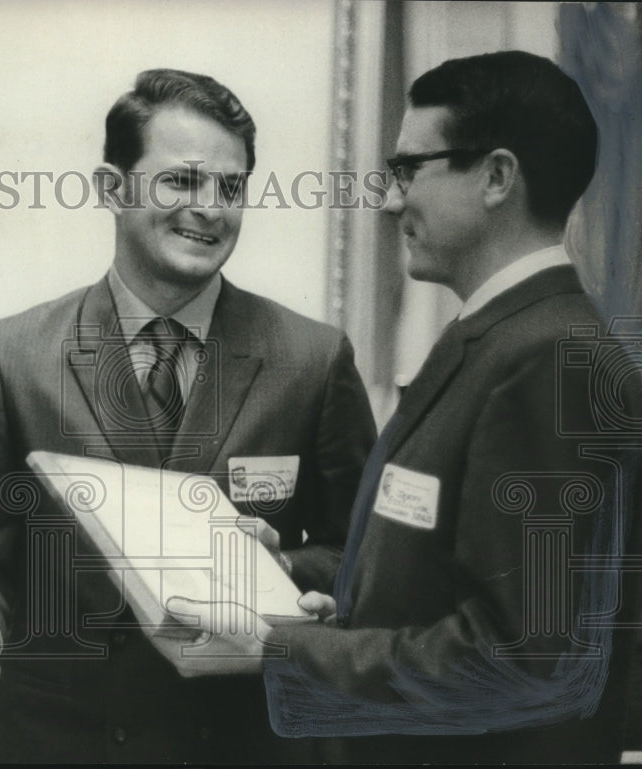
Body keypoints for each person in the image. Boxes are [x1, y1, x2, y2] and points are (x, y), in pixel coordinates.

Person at [155, 50, 642, 764]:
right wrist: (303, 582)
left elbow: (520, 660)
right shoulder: (504, 338)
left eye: (409, 169)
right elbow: (446, 574)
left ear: (498, 177)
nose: (389, 199)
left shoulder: (550, 359)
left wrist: (282, 646)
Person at [0, 68, 377, 763]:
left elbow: (363, 555)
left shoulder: (313, 358)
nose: (210, 208)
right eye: (182, 181)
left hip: (238, 740)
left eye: (231, 188)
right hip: (64, 741)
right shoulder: (16, 353)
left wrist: (280, 564)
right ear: (113, 189)